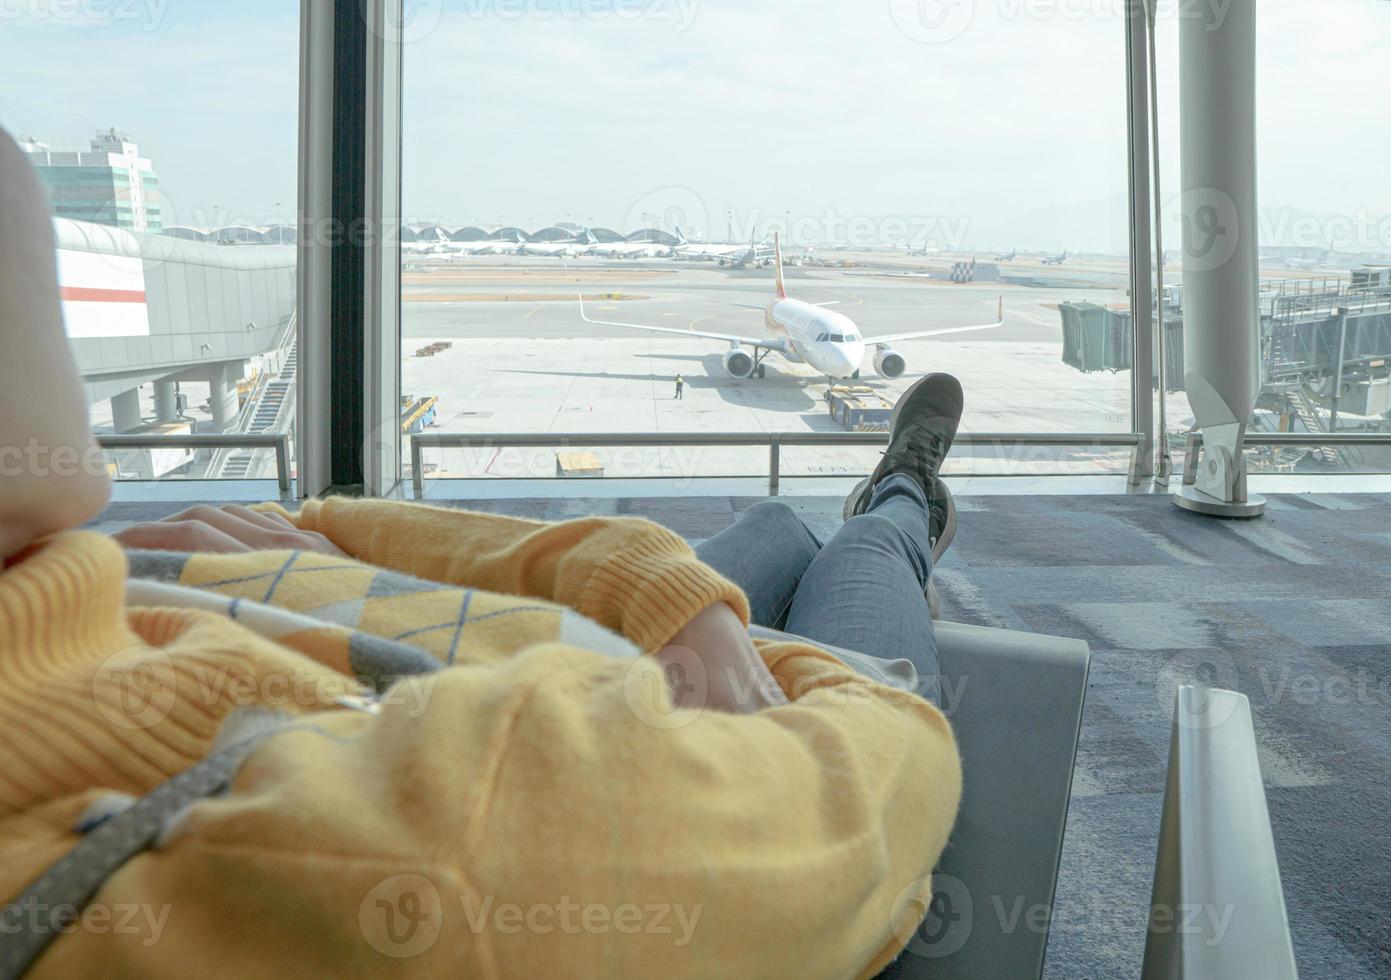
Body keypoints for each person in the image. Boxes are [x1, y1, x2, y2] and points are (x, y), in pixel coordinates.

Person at [0, 127, 962, 978]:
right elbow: (884, 777)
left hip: (553, 654)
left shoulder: (97, 569)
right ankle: (905, 494)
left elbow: (326, 518)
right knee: (865, 553)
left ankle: (850, 513)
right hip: (688, 715)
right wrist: (736, 648)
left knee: (776, 527)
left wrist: (666, 587)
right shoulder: (436, 869)